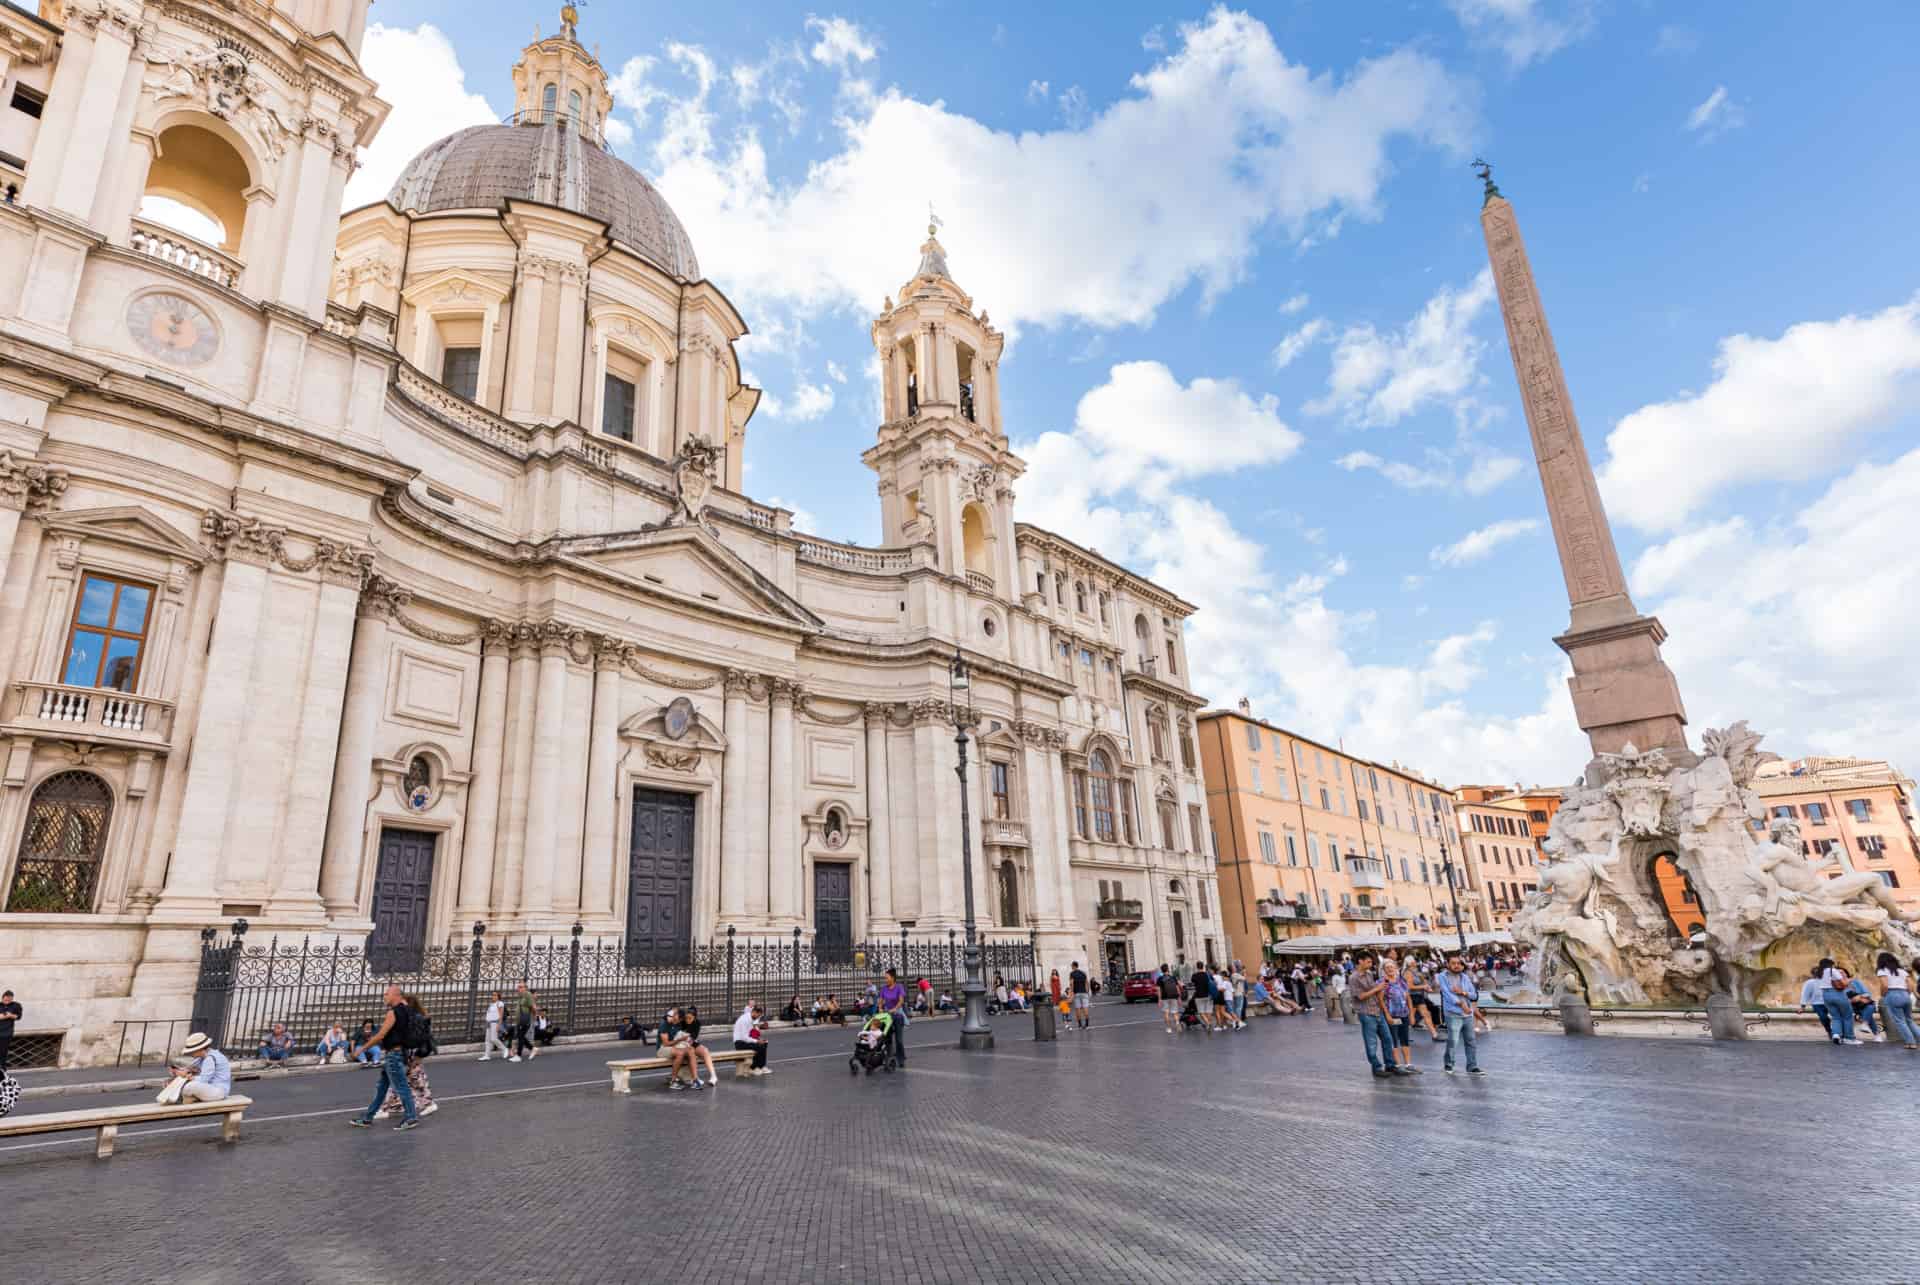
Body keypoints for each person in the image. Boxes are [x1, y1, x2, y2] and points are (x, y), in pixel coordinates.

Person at [348, 984, 420, 1130]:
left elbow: (381, 1035)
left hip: (394, 1055)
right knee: (382, 1087)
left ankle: (411, 1117)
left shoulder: (392, 1013)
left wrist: (361, 1049)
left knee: (401, 1087)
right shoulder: (407, 1010)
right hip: (399, 1053)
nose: (384, 996)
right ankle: (368, 1117)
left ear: (396, 995)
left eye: (387, 994)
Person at [379, 993, 438, 1121]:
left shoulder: (416, 1018)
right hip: (410, 1053)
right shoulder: (413, 1016)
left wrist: (418, 1055)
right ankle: (389, 1107)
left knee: (409, 1080)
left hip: (412, 1053)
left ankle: (387, 1108)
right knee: (403, 1080)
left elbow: (422, 1038)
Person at [1349, 953, 1399, 1079]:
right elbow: (1360, 996)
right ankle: (1376, 1067)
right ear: (1360, 961)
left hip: (1377, 1010)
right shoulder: (1354, 978)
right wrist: (1378, 988)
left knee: (1387, 1039)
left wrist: (1382, 990)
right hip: (1366, 1012)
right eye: (1368, 962)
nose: (1370, 964)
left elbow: (1375, 990)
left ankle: (1390, 1064)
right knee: (1371, 1043)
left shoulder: (1370, 974)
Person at [1436, 954, 1485, 1076]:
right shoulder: (1442, 977)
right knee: (1453, 1040)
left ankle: (1472, 1066)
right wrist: (1462, 1004)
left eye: (1458, 963)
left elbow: (1473, 995)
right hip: (1453, 1013)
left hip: (1467, 1014)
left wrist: (1462, 992)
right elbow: (1447, 994)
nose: (1456, 965)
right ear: (1448, 964)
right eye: (1453, 963)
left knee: (1471, 1041)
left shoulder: (1465, 977)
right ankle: (1449, 1064)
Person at [168, 1032, 231, 1102]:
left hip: (218, 1091)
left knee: (189, 1087)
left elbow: (203, 1080)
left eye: (192, 1051)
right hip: (210, 1088)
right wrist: (178, 1071)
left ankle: (187, 1097)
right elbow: (190, 1068)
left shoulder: (210, 1058)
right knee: (177, 1082)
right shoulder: (202, 1057)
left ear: (200, 1049)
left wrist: (187, 1076)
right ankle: (188, 1097)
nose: (191, 1053)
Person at [1875, 952, 1918, 1050]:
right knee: (1909, 1020)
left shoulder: (1882, 970)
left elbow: (1885, 985)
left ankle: (1911, 1043)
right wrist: (1907, 993)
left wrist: (1883, 994)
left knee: (1900, 1021)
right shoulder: (1901, 971)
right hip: (1905, 995)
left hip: (1892, 994)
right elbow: (1911, 985)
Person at [1819, 958, 1861, 1045]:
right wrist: (1850, 980)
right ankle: (1849, 1038)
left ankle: (1836, 1035)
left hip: (1825, 995)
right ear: (1831, 964)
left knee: (1835, 1017)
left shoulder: (1820, 973)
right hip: (1837, 994)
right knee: (1848, 1015)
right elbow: (1844, 983)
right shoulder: (1832, 970)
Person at [682, 1005, 720, 1088]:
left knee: (705, 1051)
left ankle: (713, 1076)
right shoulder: (682, 1022)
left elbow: (693, 1038)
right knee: (691, 1052)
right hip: (682, 1044)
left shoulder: (697, 1023)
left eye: (690, 1018)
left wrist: (689, 1041)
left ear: (694, 1017)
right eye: (686, 1018)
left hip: (690, 1042)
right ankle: (695, 1078)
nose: (688, 1020)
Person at [878, 969, 909, 1067]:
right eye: (885, 978)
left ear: (892, 978)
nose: (885, 979)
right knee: (887, 1038)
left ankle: (901, 1058)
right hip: (887, 1016)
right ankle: (889, 1056)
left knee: (899, 1040)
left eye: (887, 977)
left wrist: (894, 1009)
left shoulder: (899, 987)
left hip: (897, 1015)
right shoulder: (884, 988)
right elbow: (881, 1000)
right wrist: (880, 1008)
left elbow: (901, 1001)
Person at [732, 1002, 771, 1076]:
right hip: (739, 1043)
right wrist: (757, 1041)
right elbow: (744, 1037)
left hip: (744, 1041)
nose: (758, 1017)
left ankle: (761, 1066)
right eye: (758, 1015)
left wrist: (759, 1039)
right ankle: (753, 1067)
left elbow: (751, 1033)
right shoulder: (745, 1020)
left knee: (764, 1043)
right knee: (759, 1046)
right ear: (754, 1012)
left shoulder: (750, 1018)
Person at [1796, 965, 1833, 1039]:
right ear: (1813, 974)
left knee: (1837, 1016)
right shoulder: (1810, 982)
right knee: (1823, 1017)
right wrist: (1802, 1007)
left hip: (1829, 1003)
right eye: (1816, 972)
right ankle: (1829, 1031)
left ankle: (1838, 1032)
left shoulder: (1828, 981)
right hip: (1817, 1004)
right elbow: (1805, 994)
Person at [1843, 975, 1883, 1041]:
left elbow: (1867, 994)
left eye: (1842, 973)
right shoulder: (1838, 984)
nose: (1841, 975)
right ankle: (1875, 1033)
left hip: (1863, 1003)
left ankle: (1865, 1024)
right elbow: (1841, 999)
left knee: (1870, 1007)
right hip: (1850, 1006)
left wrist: (1859, 997)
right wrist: (1852, 999)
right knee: (1868, 1012)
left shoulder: (1855, 982)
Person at [480, 991, 510, 1060]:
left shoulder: (500, 1003)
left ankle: (504, 1049)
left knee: (493, 1039)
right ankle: (487, 1055)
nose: (493, 996)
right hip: (489, 1023)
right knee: (487, 1040)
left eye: (495, 995)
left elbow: (501, 1015)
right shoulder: (491, 1004)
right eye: (492, 995)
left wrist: (498, 1025)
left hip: (495, 1023)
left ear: (498, 996)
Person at [512, 983, 538, 1061]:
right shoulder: (521, 996)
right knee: (521, 1037)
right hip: (520, 1020)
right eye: (518, 987)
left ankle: (519, 1056)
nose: (518, 988)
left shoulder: (528, 995)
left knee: (521, 1037)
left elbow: (533, 1007)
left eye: (520, 987)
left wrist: (534, 1016)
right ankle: (533, 1049)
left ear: (525, 988)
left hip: (525, 1020)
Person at [1188, 962, 1214, 1035]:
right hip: (1208, 995)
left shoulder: (1194, 975)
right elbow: (1213, 982)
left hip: (1199, 996)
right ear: (1203, 967)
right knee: (1208, 1011)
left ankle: (1207, 1023)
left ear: (1197, 967)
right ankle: (1209, 1023)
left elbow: (1192, 982)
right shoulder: (1207, 975)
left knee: (1201, 1012)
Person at [1156, 964, 1181, 1034]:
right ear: (1168, 969)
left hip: (1165, 997)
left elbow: (1158, 990)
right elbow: (1177, 988)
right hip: (1174, 996)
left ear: (1162, 970)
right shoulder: (1173, 977)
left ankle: (1169, 1028)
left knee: (1166, 1013)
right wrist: (1179, 997)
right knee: (1175, 1012)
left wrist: (1159, 999)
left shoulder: (1159, 979)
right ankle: (1177, 1023)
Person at [0, 989, 20, 1072]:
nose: (7, 1001)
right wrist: (3, 1016)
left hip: (6, 1033)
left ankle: (2, 1070)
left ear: (12, 999)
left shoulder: (16, 1006)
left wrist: (10, 1015)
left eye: (9, 1000)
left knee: (3, 1052)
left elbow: (18, 1017)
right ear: (2, 998)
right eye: (5, 999)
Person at [1068, 961, 1092, 1030]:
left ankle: (1080, 1025)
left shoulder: (1072, 973)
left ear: (1074, 966)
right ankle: (1087, 1025)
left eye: (1071, 966)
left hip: (1077, 993)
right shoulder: (1083, 973)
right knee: (1085, 1008)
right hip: (1084, 993)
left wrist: (1071, 993)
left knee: (1078, 1009)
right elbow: (1087, 983)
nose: (1071, 967)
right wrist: (1087, 992)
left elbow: (1071, 983)